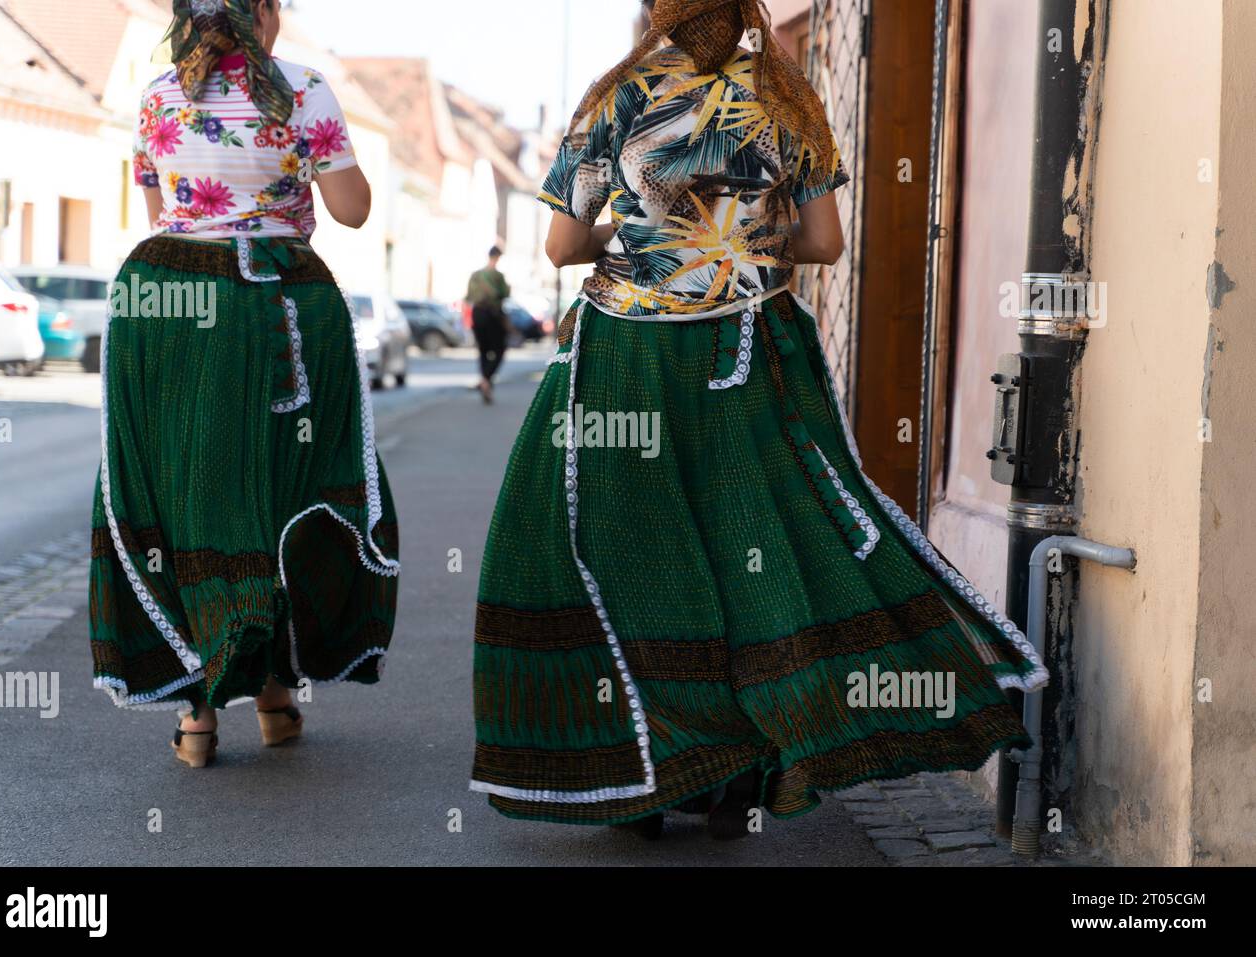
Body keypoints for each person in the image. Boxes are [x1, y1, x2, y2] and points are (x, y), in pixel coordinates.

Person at [470, 0, 1048, 838]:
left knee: (630, 547)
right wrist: (743, 242)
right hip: (747, 349)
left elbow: (560, 247)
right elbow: (825, 243)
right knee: (763, 545)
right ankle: (746, 767)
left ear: (655, 11)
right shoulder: (785, 97)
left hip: (625, 357)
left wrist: (639, 244)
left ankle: (658, 769)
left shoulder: (612, 99)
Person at [90, 0, 400, 767]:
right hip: (276, 299)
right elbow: (353, 211)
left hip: (164, 302)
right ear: (262, 13)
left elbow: (162, 210)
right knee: (283, 491)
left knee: (189, 493)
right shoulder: (301, 88)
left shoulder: (159, 92)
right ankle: (273, 693)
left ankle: (197, 714)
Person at [466, 246, 512, 404]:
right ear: (497, 257)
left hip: (477, 313)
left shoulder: (476, 275)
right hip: (493, 314)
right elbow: (505, 294)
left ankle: (484, 381)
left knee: (483, 350)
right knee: (499, 349)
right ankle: (486, 380)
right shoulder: (498, 276)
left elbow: (469, 296)